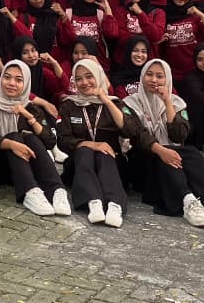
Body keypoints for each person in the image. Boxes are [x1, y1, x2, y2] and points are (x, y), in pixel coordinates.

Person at [122, 58, 204, 228]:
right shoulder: (129, 103)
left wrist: (167, 102)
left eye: (160, 76)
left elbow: (179, 135)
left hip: (171, 162)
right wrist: (160, 150)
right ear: (142, 77)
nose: (154, 80)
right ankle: (188, 202)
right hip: (143, 166)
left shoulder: (177, 103)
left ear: (167, 79)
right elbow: (136, 134)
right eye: (149, 75)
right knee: (166, 155)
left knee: (191, 152)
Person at [56, 59, 141, 228]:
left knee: (104, 153)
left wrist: (106, 100)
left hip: (112, 166)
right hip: (79, 165)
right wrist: (91, 144)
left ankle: (115, 204)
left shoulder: (115, 103)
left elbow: (131, 130)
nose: (84, 82)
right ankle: (93, 201)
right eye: (78, 79)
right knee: (85, 150)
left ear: (99, 76)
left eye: (89, 76)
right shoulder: (69, 105)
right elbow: (63, 140)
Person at [0, 60, 69, 217]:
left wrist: (29, 117)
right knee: (15, 135)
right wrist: (12, 144)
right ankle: (30, 191)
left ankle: (56, 190)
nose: (11, 83)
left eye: (19, 80)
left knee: (31, 138)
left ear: (26, 83)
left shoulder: (30, 107)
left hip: (23, 167)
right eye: (7, 77)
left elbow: (49, 141)